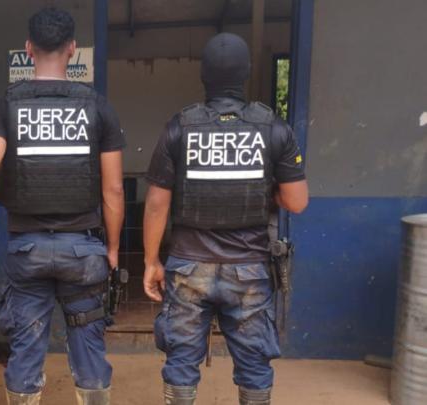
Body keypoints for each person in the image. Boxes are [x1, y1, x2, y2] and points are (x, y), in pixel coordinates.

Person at [142, 32, 309, 405]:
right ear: (247, 73)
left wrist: (152, 261)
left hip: (188, 267)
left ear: (203, 76)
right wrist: (265, 191)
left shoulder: (179, 127)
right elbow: (297, 202)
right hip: (248, 268)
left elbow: (155, 204)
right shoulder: (274, 128)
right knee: (254, 365)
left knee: (180, 362)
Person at [0, 8, 125, 405]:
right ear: (72, 48)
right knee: (89, 347)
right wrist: (112, 248)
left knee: (26, 349)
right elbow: (113, 190)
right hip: (83, 249)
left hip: (28, 249)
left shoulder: (5, 105)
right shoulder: (98, 106)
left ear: (28, 49)